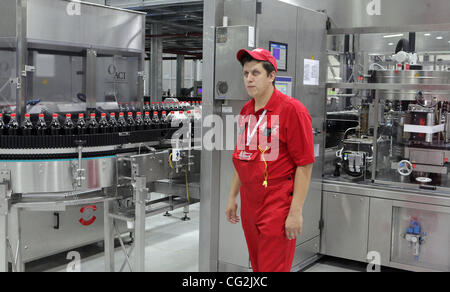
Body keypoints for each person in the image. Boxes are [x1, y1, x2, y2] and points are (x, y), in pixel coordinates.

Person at [225, 47, 315, 272]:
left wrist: (295, 213)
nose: (249, 79)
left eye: (255, 73)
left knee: (272, 268)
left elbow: (304, 164)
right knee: (257, 267)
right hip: (249, 201)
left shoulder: (292, 110)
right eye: (245, 74)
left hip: (277, 202)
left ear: (272, 76)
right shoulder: (246, 111)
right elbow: (243, 157)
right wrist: (232, 196)